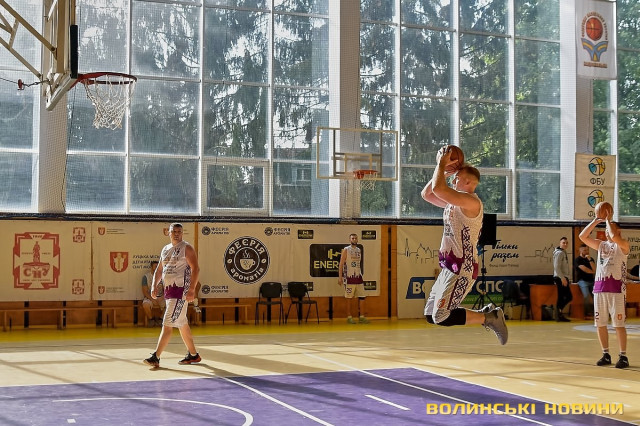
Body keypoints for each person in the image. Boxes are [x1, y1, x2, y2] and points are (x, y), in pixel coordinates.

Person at [420, 146, 507, 345]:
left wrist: (442, 164)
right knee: (430, 314)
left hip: (462, 267)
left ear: (468, 182)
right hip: (449, 266)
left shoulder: (471, 202)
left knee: (441, 316)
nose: (453, 180)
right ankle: (487, 315)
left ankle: (490, 317)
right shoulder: (455, 202)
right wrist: (443, 170)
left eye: (456, 178)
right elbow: (427, 194)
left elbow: (438, 189)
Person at [144, 223, 202, 368]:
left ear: (182, 233)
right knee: (182, 324)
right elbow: (159, 269)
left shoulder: (186, 248)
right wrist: (154, 285)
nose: (176, 233)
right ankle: (193, 355)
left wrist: (191, 289)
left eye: (179, 231)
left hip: (180, 292)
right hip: (169, 292)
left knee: (167, 323)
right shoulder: (165, 249)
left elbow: (196, 269)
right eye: (174, 231)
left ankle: (156, 357)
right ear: (168, 233)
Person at [579, 218, 630, 369]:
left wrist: (608, 219)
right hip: (600, 289)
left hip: (617, 290)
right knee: (600, 324)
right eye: (606, 229)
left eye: (610, 228)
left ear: (618, 231)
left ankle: (623, 355)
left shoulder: (623, 245)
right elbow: (582, 236)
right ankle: (605, 354)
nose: (608, 231)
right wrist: (597, 220)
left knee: (618, 324)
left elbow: (614, 236)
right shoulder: (601, 245)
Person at [338, 233, 370, 324]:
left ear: (357, 239)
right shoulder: (346, 249)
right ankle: (349, 317)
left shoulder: (359, 250)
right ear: (350, 240)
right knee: (349, 297)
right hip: (349, 277)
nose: (354, 239)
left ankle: (362, 317)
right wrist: (340, 277)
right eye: (352, 238)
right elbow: (341, 264)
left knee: (362, 296)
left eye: (355, 238)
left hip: (358, 276)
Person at [552, 237, 573, 322]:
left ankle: (559, 313)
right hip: (560, 277)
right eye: (563, 242)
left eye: (566, 243)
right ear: (560, 243)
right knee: (567, 296)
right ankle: (558, 313)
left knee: (564, 296)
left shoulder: (563, 252)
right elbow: (557, 267)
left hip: (563, 277)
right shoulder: (559, 253)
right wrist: (562, 278)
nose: (565, 244)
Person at [141, 260, 166, 326]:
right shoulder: (146, 277)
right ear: (151, 267)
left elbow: (166, 289)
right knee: (145, 305)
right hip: (150, 297)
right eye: (155, 266)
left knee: (170, 303)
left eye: (158, 266)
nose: (157, 268)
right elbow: (145, 292)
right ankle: (151, 319)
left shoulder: (163, 276)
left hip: (161, 296)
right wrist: (152, 299)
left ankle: (161, 319)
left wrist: (163, 297)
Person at [574, 244, 595, 319]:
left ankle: (596, 312)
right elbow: (585, 269)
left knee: (596, 296)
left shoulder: (591, 259)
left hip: (591, 280)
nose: (586, 251)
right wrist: (593, 272)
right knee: (586, 296)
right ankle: (587, 313)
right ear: (580, 250)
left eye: (587, 250)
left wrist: (590, 260)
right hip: (582, 280)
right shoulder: (577, 260)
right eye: (584, 250)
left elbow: (594, 268)